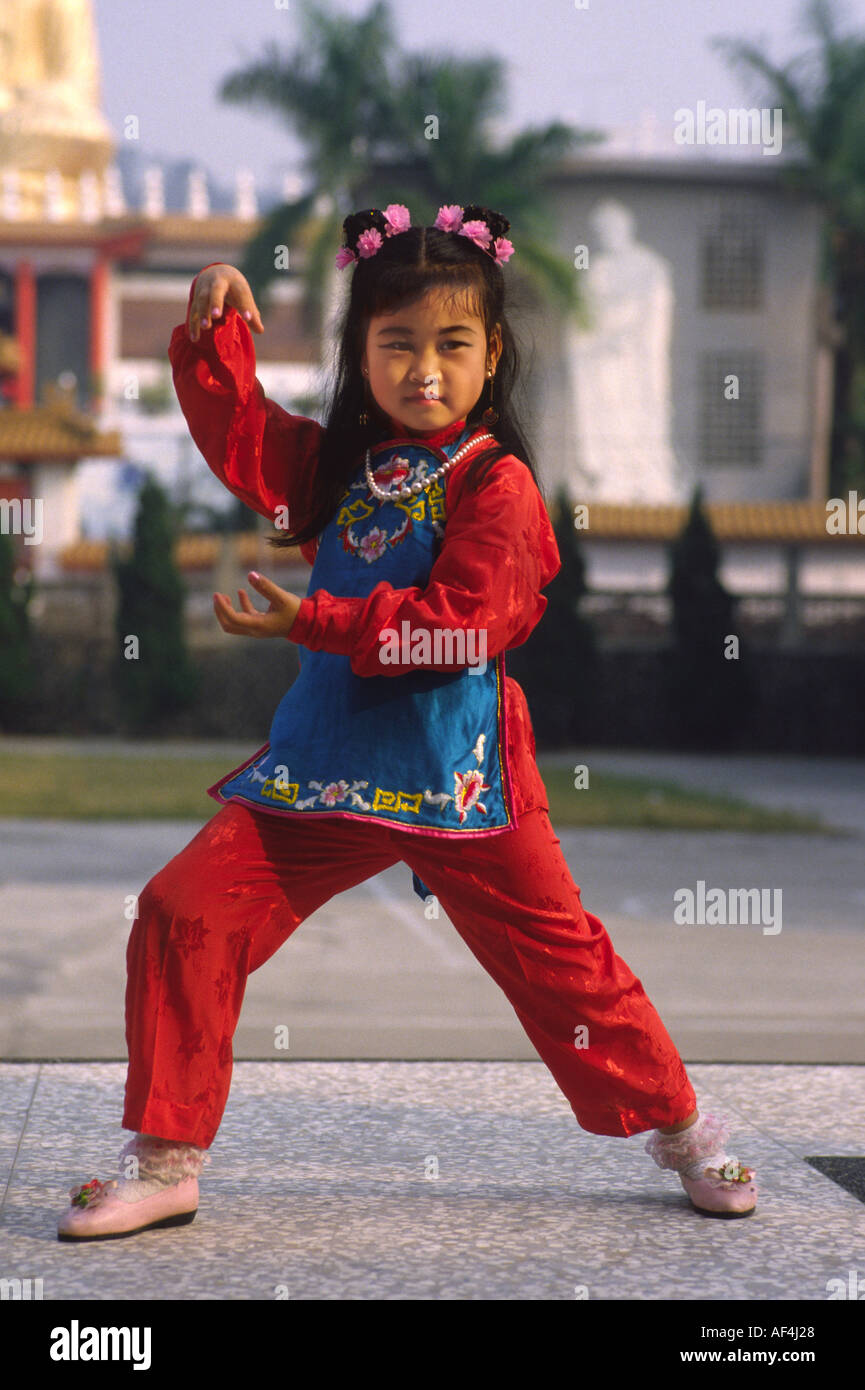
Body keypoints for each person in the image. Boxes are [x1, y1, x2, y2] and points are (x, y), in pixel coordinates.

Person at [57, 203, 757, 1242]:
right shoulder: (345, 471)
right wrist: (214, 333)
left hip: (461, 781)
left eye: (450, 345)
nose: (422, 369)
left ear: (490, 358)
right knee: (181, 909)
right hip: (326, 773)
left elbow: (462, 628)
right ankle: (165, 1157)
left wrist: (318, 619)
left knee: (567, 969)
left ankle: (685, 1127)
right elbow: (245, 437)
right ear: (360, 353)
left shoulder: (498, 485)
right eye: (396, 344)